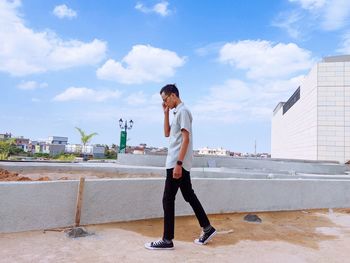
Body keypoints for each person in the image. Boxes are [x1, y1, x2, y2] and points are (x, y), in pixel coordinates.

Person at [145, 84, 216, 250]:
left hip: (177, 162)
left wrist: (178, 164)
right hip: (178, 162)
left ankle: (167, 240)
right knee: (189, 195)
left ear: (173, 95)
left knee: (167, 199)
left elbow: (186, 139)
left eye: (165, 100)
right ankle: (207, 228)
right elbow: (167, 133)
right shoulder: (176, 112)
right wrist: (165, 114)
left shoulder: (183, 111)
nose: (165, 103)